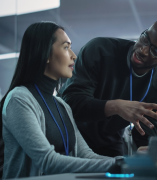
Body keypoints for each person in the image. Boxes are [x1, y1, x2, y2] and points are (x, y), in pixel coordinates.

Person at [0, 22, 122, 179]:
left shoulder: (62, 105)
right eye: (66, 47)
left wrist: (128, 162)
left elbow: (86, 155)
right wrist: (121, 165)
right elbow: (48, 161)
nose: (73, 55)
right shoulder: (19, 99)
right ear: (45, 54)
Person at [60, 19, 157, 157]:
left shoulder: (155, 81)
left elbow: (145, 134)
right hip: (70, 135)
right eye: (145, 39)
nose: (143, 50)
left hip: (109, 142)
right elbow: (71, 103)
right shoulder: (100, 50)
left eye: (155, 51)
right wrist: (116, 106)